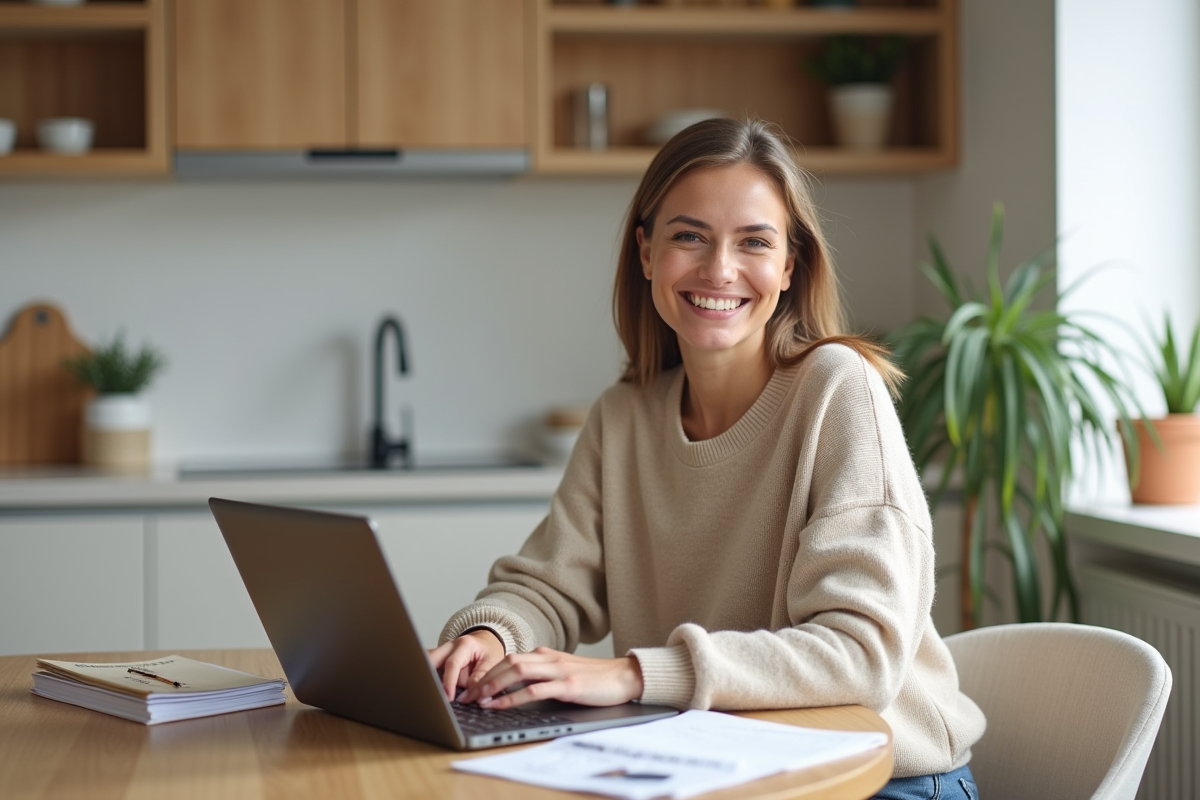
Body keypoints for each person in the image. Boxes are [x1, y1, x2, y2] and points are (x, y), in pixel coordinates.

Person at [429, 117, 985, 799]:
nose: (719, 269)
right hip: (717, 770)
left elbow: (859, 653)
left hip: (875, 778)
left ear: (789, 266)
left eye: (753, 242)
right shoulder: (623, 418)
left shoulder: (837, 389)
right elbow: (549, 584)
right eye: (689, 235)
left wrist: (635, 675)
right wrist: (492, 635)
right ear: (646, 252)